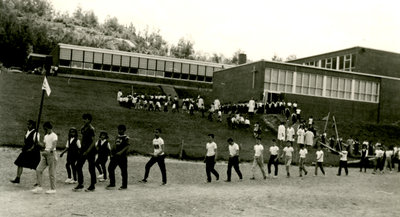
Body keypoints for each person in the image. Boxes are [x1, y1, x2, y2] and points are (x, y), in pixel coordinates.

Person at [11, 120, 41, 184]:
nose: (28, 126)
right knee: (19, 163)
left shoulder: (36, 133)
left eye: (29, 125)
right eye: (27, 124)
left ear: (32, 125)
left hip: (33, 152)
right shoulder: (27, 131)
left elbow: (36, 143)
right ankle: (17, 178)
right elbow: (26, 141)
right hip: (25, 151)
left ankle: (38, 181)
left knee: (36, 166)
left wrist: (31, 149)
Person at [31, 122, 58, 194]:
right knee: (38, 169)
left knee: (51, 172)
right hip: (45, 154)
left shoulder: (54, 135)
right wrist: (38, 142)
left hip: (51, 154)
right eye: (44, 129)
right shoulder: (46, 136)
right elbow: (44, 145)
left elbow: (54, 146)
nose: (45, 130)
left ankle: (53, 189)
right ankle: (39, 187)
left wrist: (48, 151)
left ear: (49, 128)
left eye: (46, 129)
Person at [74, 113, 97, 192]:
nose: (84, 120)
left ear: (89, 120)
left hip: (90, 150)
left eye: (86, 119)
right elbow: (83, 138)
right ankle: (80, 183)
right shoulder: (83, 128)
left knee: (91, 167)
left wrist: (87, 151)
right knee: (78, 166)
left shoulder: (91, 129)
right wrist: (81, 148)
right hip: (83, 149)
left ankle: (92, 185)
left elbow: (93, 141)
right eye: (83, 118)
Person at [107, 125, 130, 190]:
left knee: (123, 171)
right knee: (110, 168)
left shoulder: (126, 138)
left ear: (124, 130)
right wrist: (111, 151)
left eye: (120, 130)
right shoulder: (117, 136)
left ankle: (124, 185)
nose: (119, 131)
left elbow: (127, 146)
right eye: (118, 129)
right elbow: (115, 144)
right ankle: (112, 183)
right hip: (115, 155)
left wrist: (121, 152)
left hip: (122, 157)